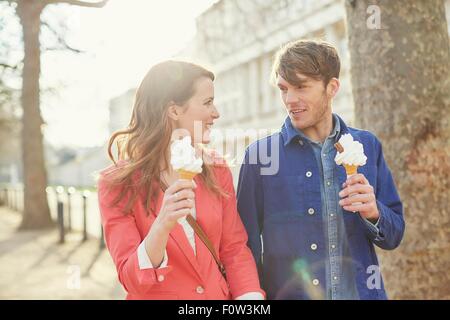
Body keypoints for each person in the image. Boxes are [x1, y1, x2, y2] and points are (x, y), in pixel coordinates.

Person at [236, 40, 405, 300]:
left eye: (301, 87)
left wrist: (373, 212)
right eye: (284, 89)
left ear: (332, 87)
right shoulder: (259, 157)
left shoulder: (367, 146)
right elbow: (242, 249)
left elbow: (394, 235)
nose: (290, 100)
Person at [98, 60, 264, 300]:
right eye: (207, 103)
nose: (215, 113)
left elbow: (234, 248)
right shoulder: (116, 184)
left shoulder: (216, 169)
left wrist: (250, 299)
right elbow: (131, 278)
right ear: (174, 110)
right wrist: (162, 225)